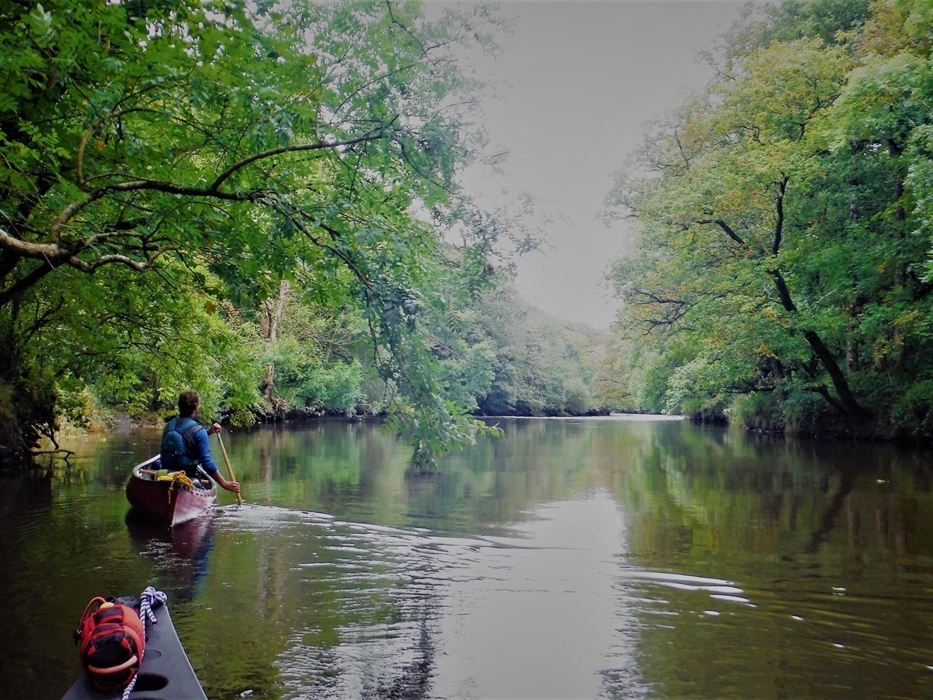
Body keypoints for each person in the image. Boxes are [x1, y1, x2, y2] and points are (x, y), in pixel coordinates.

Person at [160, 390, 240, 495]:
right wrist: (224, 484)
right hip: (187, 474)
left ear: (179, 406)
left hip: (166, 471)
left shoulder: (168, 426)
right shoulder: (199, 431)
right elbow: (207, 463)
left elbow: (187, 439)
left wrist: (209, 431)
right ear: (196, 407)